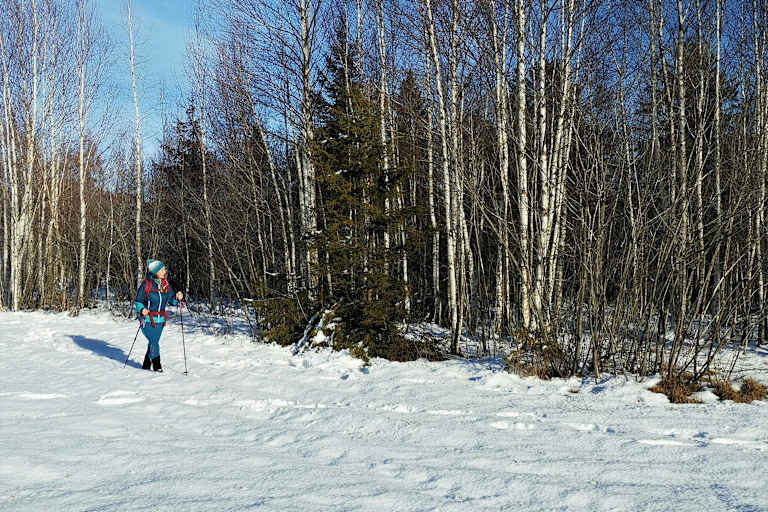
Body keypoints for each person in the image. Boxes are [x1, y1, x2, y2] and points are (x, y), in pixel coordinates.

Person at [135, 259, 184, 372]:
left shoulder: (165, 285)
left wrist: (178, 297)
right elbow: (138, 301)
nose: (164, 271)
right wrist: (142, 309)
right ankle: (157, 366)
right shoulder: (146, 284)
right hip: (147, 320)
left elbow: (172, 300)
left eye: (164, 269)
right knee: (154, 342)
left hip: (160, 320)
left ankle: (146, 364)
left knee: (154, 342)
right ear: (155, 271)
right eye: (162, 269)